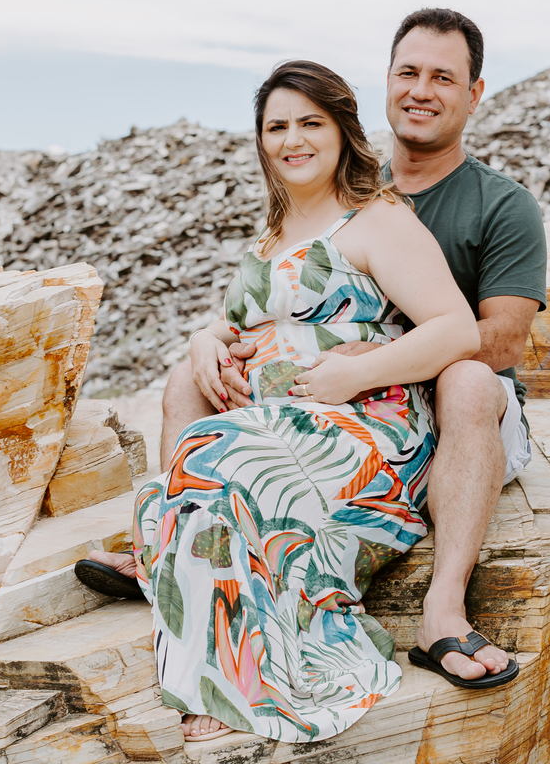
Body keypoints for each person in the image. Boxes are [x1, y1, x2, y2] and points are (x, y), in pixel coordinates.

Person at [126, 8, 548, 699]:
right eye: (408, 72)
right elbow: (277, 302)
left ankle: (443, 610)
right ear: (386, 81)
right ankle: (166, 545)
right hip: (334, 393)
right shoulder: (332, 184)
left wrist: (373, 356)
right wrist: (212, 340)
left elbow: (494, 339)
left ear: (474, 94)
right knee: (187, 381)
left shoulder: (497, 204)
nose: (421, 90)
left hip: (452, 400)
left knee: (469, 380)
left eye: (443, 77)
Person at [79, 59, 496, 743]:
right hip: (278, 425)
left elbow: (456, 328)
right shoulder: (270, 238)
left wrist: (355, 377)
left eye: (310, 123)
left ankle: (231, 680)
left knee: (211, 455)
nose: (293, 139)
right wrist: (206, 339)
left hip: (363, 429)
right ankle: (192, 607)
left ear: (341, 132)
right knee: (194, 412)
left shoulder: (378, 219)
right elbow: (246, 323)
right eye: (277, 127)